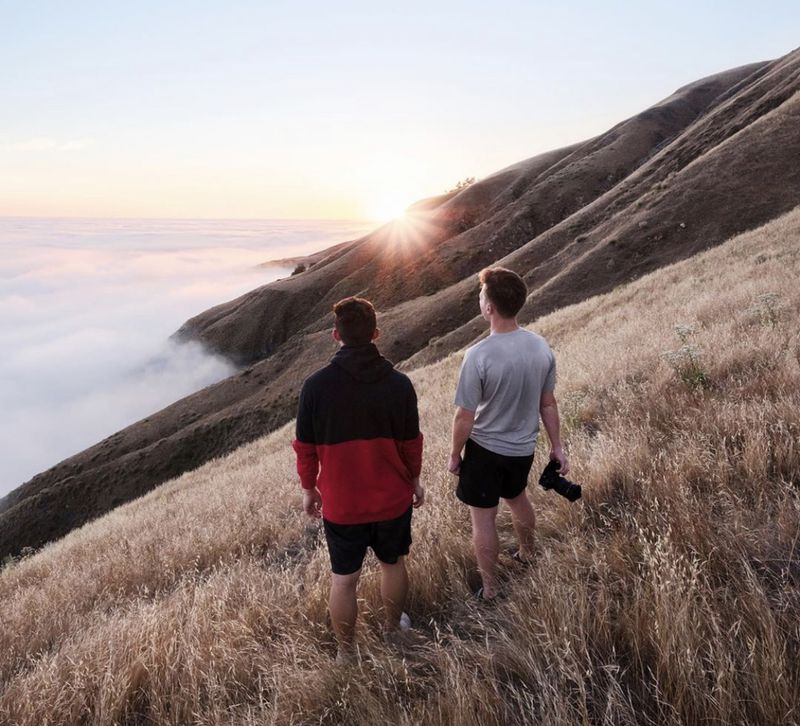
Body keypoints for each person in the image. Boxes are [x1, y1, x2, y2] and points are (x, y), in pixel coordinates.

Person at [293, 296, 425, 663]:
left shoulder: (315, 387)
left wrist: (309, 487)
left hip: (342, 505)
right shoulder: (400, 384)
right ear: (376, 333)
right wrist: (414, 480)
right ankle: (391, 632)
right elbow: (411, 444)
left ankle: (346, 653)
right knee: (393, 564)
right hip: (391, 499)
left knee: (344, 579)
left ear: (336, 335)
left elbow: (305, 447)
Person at [449, 267, 569, 601]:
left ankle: (490, 589)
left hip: (485, 450)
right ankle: (528, 552)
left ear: (489, 307)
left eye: (481, 294)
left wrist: (455, 453)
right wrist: (557, 447)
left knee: (483, 519)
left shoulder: (478, 356)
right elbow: (548, 404)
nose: (480, 298)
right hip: (522, 448)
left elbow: (464, 416)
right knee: (517, 498)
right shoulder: (541, 347)